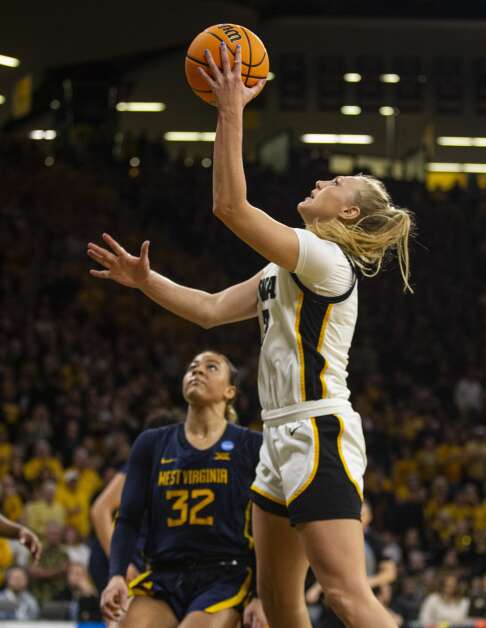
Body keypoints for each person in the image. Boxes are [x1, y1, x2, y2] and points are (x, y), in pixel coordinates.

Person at [87, 45, 413, 628]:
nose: (321, 179)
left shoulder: (325, 258)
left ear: (351, 216)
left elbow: (230, 207)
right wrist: (146, 281)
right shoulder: (284, 266)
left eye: (336, 181)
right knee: (283, 604)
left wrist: (230, 108)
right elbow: (211, 309)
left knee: (343, 596)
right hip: (279, 435)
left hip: (319, 430)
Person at [100, 350, 267, 628]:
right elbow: (127, 520)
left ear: (230, 391)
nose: (197, 370)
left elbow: (271, 529)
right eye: (192, 366)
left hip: (227, 574)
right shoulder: (151, 443)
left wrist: (262, 595)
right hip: (164, 574)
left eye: (211, 367)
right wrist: (116, 574)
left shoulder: (252, 445)